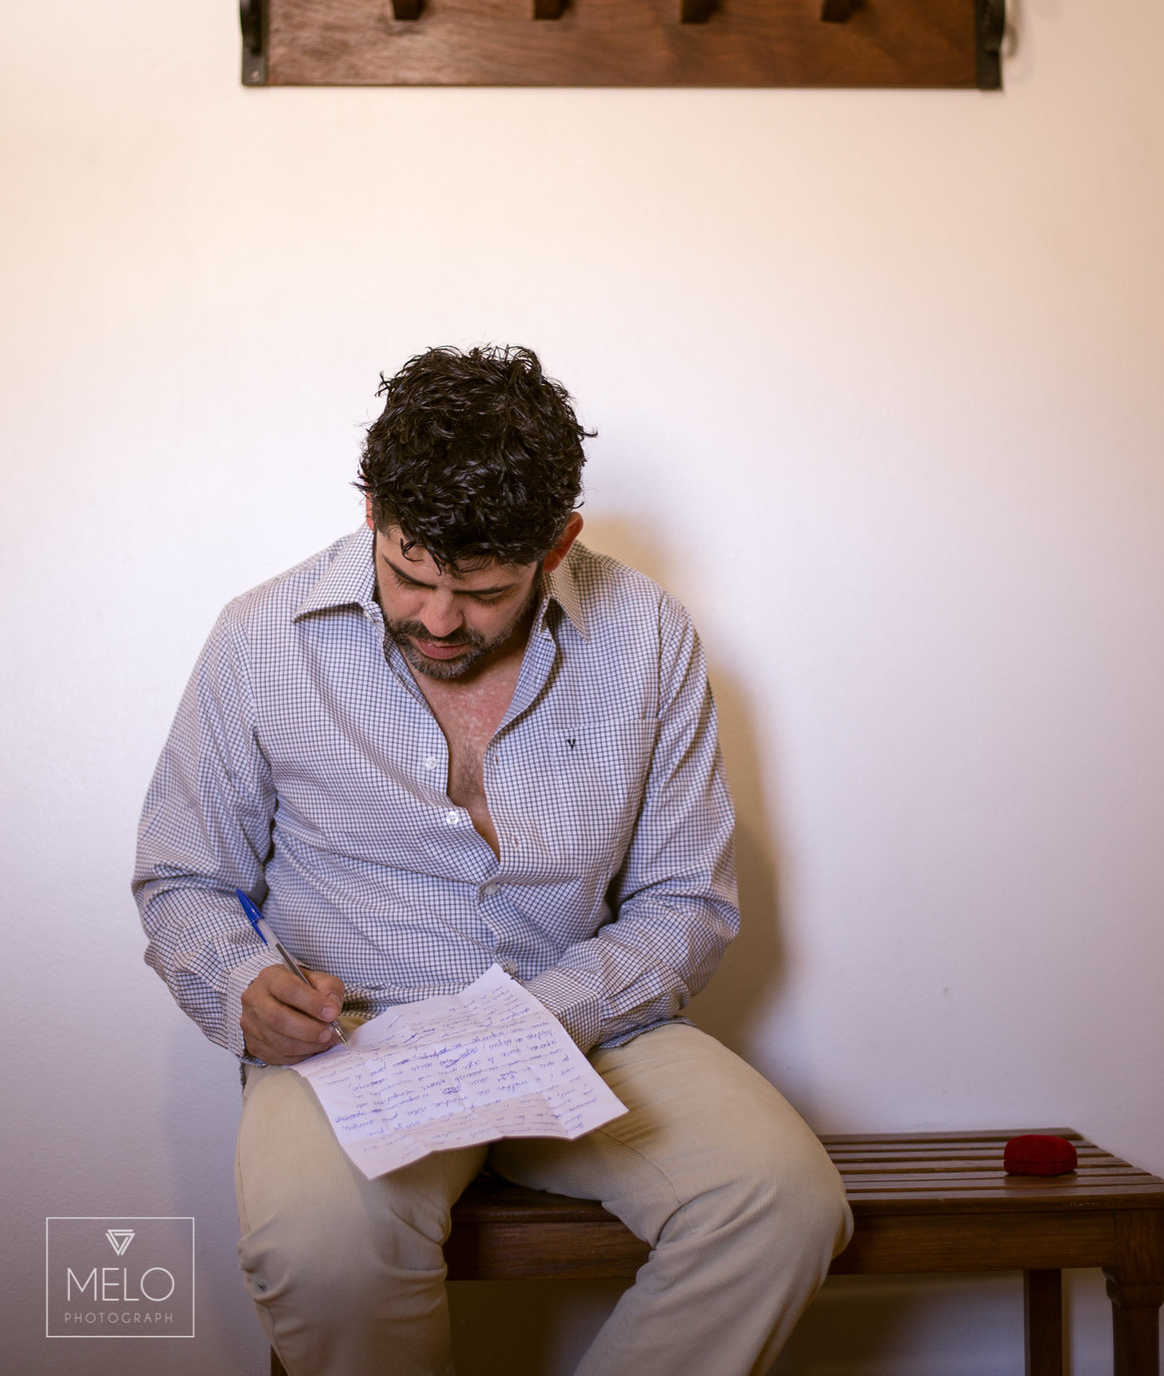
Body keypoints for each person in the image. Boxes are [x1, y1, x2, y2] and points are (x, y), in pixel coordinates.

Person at [134, 345, 851, 1376]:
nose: (437, 618)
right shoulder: (261, 639)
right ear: (372, 510)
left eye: (481, 591)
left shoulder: (648, 636)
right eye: (408, 573)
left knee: (783, 1203)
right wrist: (242, 982)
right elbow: (184, 876)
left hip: (585, 1024)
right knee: (322, 1252)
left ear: (558, 543)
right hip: (351, 1042)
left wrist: (549, 1015)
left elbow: (685, 898)